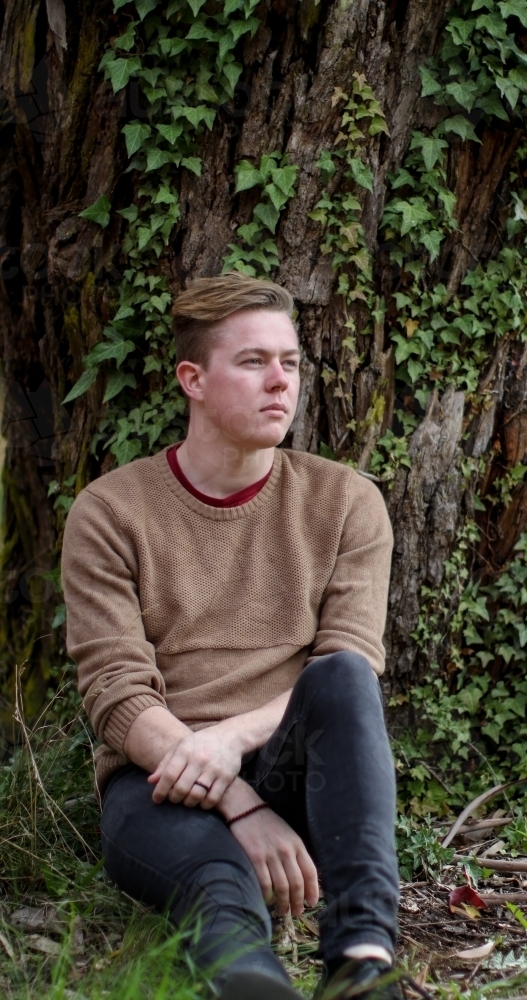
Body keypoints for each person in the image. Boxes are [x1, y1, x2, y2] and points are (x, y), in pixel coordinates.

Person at [61, 273, 401, 1000]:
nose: (280, 382)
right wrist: (233, 801)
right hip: (157, 783)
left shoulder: (345, 502)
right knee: (219, 890)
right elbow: (117, 696)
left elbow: (348, 666)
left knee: (342, 677)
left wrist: (228, 743)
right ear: (193, 379)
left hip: (295, 771)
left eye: (292, 363)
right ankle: (249, 984)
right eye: (253, 362)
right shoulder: (110, 512)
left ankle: (363, 962)